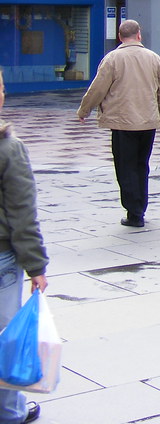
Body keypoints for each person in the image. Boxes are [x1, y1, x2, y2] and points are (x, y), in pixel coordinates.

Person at [77, 20, 160, 228]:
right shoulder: (154, 59)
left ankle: (134, 212)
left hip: (122, 122)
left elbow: (98, 88)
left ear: (120, 37)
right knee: (141, 165)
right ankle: (140, 207)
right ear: (139, 35)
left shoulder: (112, 59)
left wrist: (84, 110)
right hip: (148, 121)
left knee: (125, 166)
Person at [0, 68, 48, 424]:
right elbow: (22, 214)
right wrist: (36, 266)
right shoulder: (9, 149)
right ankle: (10, 412)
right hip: (2, 257)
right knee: (6, 339)